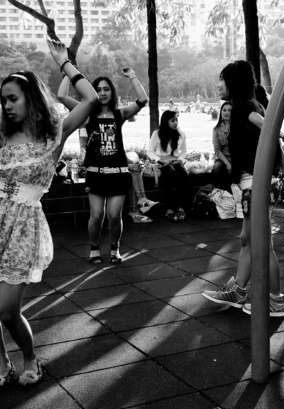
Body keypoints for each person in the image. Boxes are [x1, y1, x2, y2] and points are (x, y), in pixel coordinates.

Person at [0, 38, 98, 387]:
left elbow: (91, 100)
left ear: (31, 98)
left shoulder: (53, 135)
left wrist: (64, 63)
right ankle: (2, 362)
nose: (6, 106)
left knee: (7, 310)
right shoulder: (2, 135)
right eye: (3, 100)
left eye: (13, 98)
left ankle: (30, 357)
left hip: (23, 225)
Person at [202, 60, 284, 317]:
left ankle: (275, 300)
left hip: (253, 185)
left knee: (262, 245)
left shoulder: (243, 107)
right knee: (247, 240)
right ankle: (238, 290)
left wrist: (281, 134)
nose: (218, 85)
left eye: (221, 79)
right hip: (253, 184)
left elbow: (266, 125)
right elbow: (271, 139)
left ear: (233, 82)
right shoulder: (251, 104)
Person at [57, 68, 148, 264]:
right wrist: (67, 71)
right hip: (96, 175)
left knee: (114, 216)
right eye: (98, 89)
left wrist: (133, 76)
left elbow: (142, 100)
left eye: (106, 89)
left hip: (118, 174)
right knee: (97, 216)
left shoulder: (119, 114)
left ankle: (115, 248)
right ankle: (94, 248)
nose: (102, 93)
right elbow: (62, 96)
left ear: (112, 92)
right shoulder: (87, 114)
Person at [147, 110, 189, 222]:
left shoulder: (181, 134)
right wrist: (159, 160)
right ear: (166, 121)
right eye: (172, 121)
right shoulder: (157, 134)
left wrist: (179, 160)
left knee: (184, 175)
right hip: (162, 162)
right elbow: (150, 152)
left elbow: (184, 152)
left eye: (176, 120)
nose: (175, 123)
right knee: (170, 174)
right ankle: (169, 209)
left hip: (175, 161)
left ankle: (180, 207)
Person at [212, 101, 232, 192]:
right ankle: (219, 193)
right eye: (224, 110)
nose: (226, 112)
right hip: (223, 158)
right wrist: (227, 163)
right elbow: (217, 151)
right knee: (217, 167)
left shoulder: (238, 127)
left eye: (229, 110)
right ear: (221, 112)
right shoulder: (216, 129)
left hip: (236, 158)